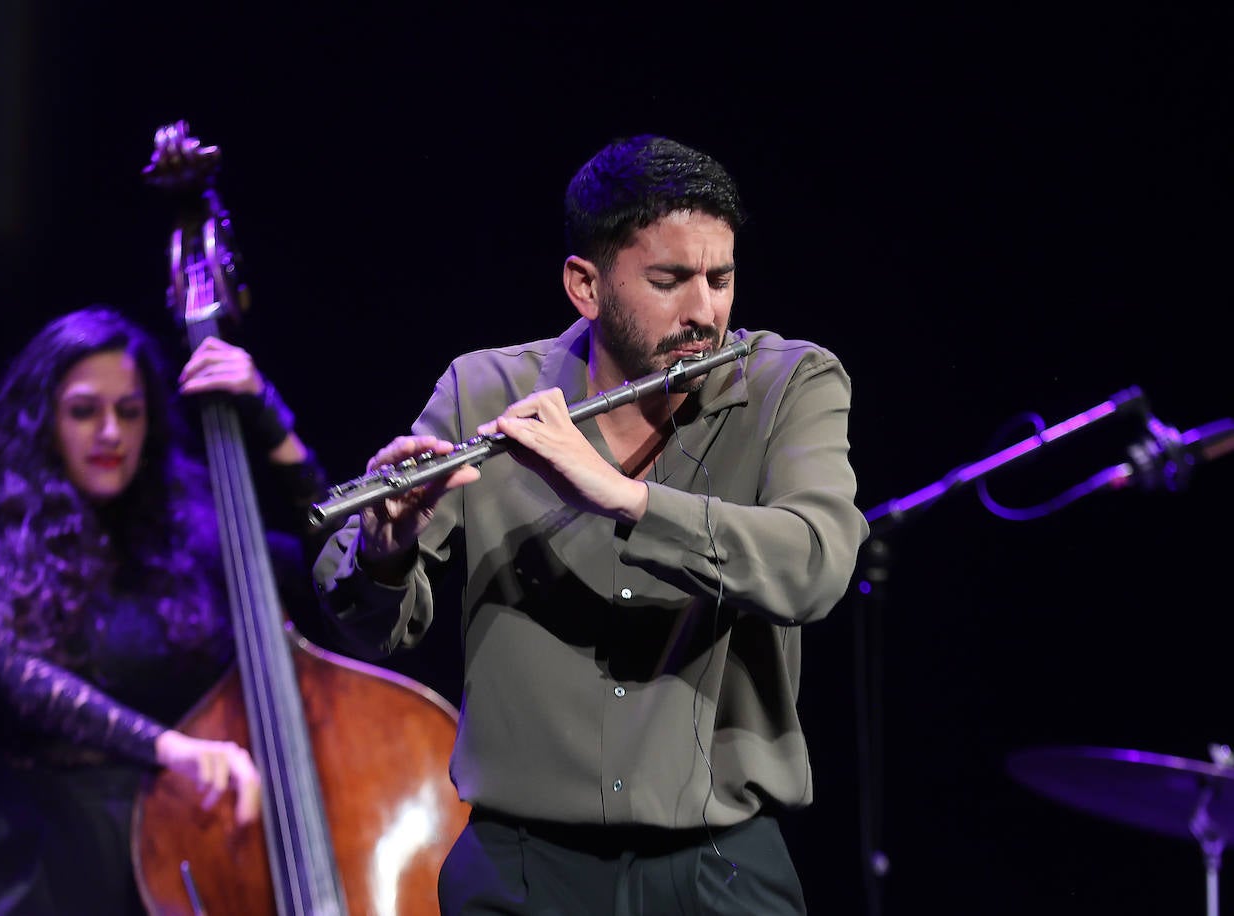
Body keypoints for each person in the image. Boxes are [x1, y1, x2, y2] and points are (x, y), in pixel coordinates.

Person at [312, 134, 870, 914]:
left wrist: (625, 498)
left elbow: (816, 565)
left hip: (718, 866)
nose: (704, 312)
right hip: (522, 870)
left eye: (720, 279)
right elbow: (371, 624)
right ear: (585, 285)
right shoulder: (485, 390)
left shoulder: (789, 384)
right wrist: (384, 550)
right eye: (669, 281)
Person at [0, 306, 327, 915]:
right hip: (35, 860)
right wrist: (170, 748)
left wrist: (270, 418)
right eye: (85, 411)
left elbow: (323, 561)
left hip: (174, 853)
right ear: (44, 420)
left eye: (130, 411)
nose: (111, 432)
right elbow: (23, 682)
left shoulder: (186, 537)